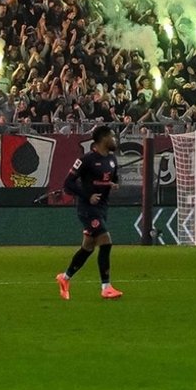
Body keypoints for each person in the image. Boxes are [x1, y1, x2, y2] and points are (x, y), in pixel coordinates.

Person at [56, 125, 122, 301]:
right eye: (112, 136)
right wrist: (88, 195)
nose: (114, 139)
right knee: (106, 242)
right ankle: (106, 287)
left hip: (102, 208)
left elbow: (113, 178)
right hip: (87, 209)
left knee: (88, 247)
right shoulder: (86, 160)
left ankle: (65, 277)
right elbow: (68, 184)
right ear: (103, 139)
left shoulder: (112, 159)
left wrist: (113, 185)